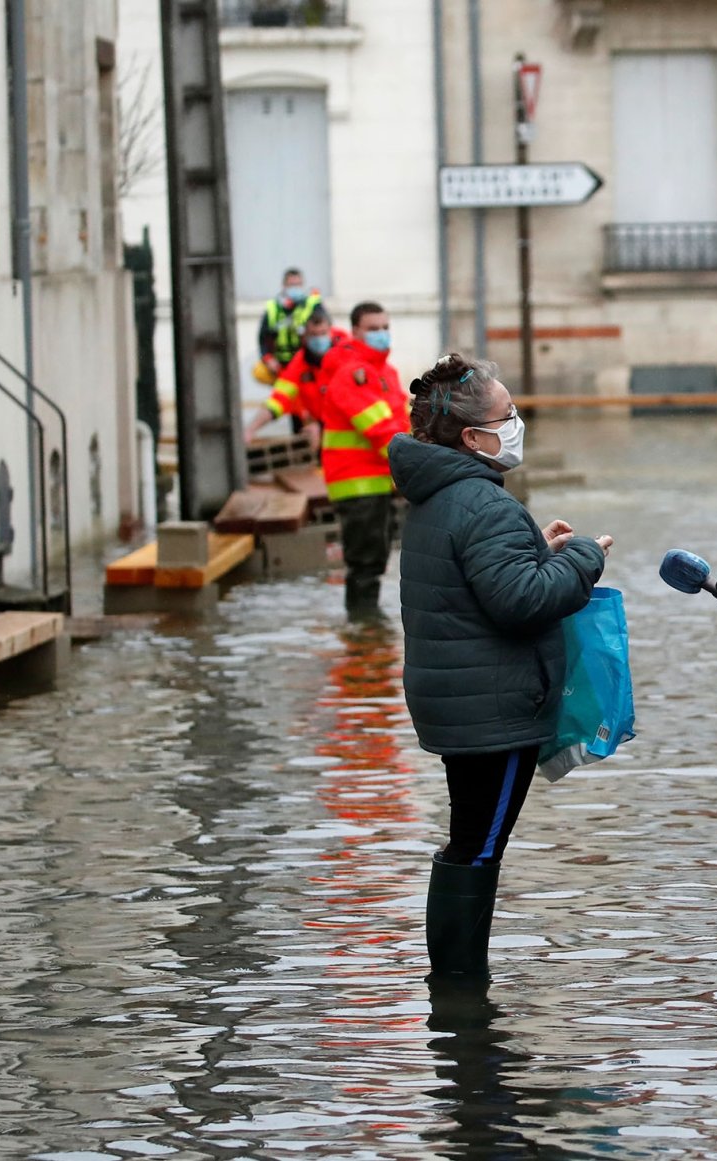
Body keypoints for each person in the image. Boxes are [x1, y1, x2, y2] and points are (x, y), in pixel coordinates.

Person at [389, 354, 611, 979]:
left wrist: (534, 549)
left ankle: (457, 996)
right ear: (472, 437)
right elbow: (523, 602)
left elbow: (476, 582)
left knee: (471, 840)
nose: (516, 422)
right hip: (495, 710)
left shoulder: (443, 495)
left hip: (458, 702)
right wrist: (587, 558)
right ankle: (460, 994)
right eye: (505, 415)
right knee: (477, 848)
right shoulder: (483, 502)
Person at [320, 301, 408, 617]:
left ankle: (365, 630)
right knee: (366, 561)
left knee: (375, 557)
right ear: (355, 331)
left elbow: (401, 423)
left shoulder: (384, 372)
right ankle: (362, 627)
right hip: (356, 483)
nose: (381, 334)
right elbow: (380, 430)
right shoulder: (352, 374)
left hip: (375, 481)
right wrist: (417, 464)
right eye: (373, 329)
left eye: (385, 328)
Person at [242, 306, 350, 444]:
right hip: (318, 429)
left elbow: (352, 403)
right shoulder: (299, 363)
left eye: (323, 333)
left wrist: (322, 427)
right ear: (304, 336)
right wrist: (250, 430)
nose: (319, 339)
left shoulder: (347, 356)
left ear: (331, 332)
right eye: (314, 334)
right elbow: (278, 399)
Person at [257, 267, 322, 385]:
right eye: (291, 285)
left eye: (298, 285)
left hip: (306, 360)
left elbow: (325, 330)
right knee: (259, 371)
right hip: (281, 362)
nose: (295, 288)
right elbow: (263, 337)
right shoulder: (273, 308)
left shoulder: (312, 305)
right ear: (284, 286)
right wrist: (268, 359)